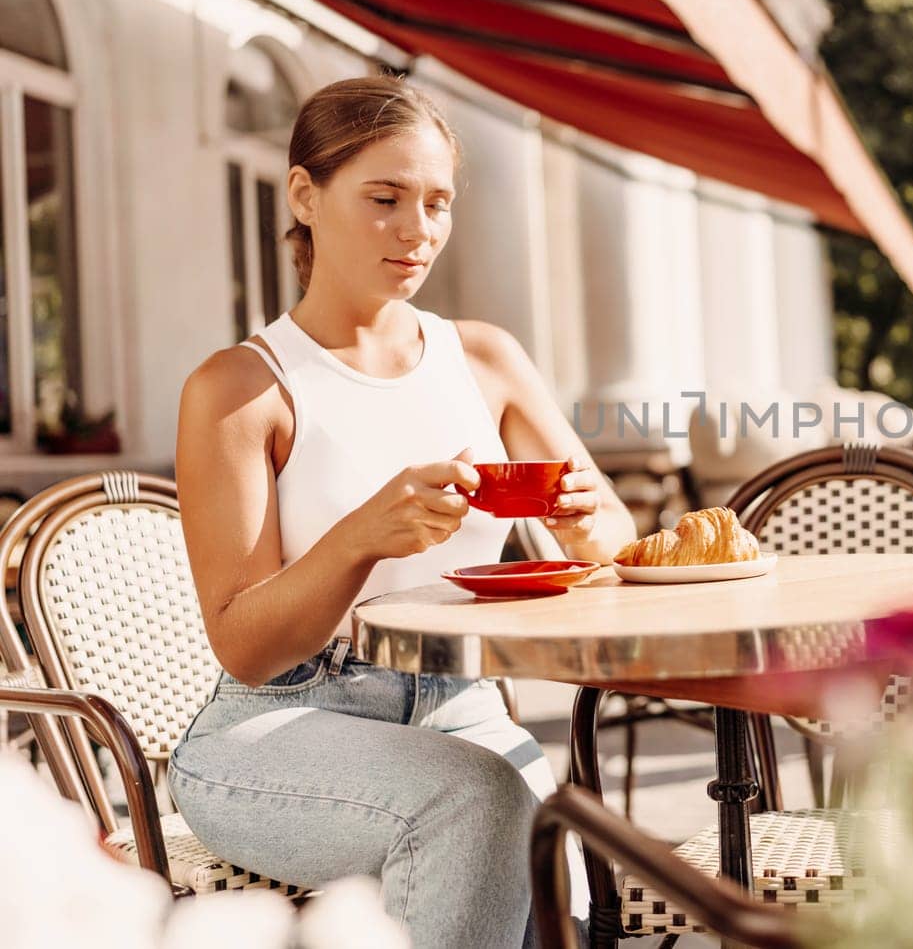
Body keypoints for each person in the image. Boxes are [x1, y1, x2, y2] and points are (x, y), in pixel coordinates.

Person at [169, 75, 634, 948]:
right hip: (282, 721)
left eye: (437, 202)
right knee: (479, 803)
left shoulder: (485, 357)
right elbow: (244, 643)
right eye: (384, 198)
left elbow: (614, 533)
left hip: (462, 703)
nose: (418, 230)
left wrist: (580, 520)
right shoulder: (240, 388)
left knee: (556, 868)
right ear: (305, 194)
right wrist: (360, 538)